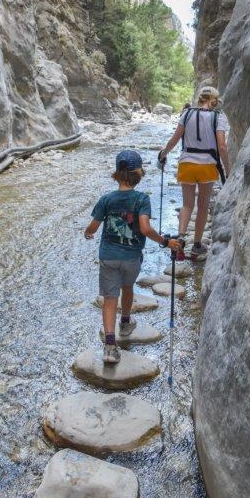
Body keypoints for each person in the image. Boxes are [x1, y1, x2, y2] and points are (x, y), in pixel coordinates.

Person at [84, 149, 180, 364]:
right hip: (131, 257)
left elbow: (93, 226)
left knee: (109, 299)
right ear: (139, 175)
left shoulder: (106, 199)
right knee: (127, 289)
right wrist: (165, 241)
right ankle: (125, 323)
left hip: (108, 256)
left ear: (117, 174)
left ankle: (110, 346)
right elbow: (145, 229)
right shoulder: (141, 199)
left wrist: (88, 232)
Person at [158, 86, 230, 258]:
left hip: (187, 164)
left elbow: (175, 138)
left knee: (187, 205)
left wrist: (163, 153)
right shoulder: (218, 118)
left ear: (200, 99)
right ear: (214, 100)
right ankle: (197, 244)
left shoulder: (187, 114)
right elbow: (221, 146)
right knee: (203, 206)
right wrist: (228, 169)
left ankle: (181, 238)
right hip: (207, 166)